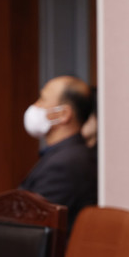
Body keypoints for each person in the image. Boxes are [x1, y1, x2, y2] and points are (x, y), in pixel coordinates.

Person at [20, 75, 97, 233]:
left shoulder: (66, 164)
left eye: (42, 99)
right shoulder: (65, 155)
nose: (35, 106)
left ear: (63, 114)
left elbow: (31, 224)